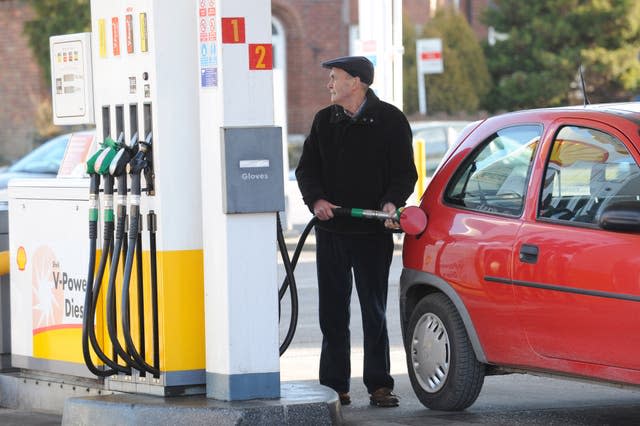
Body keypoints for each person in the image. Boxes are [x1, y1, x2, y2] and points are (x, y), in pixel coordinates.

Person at [295, 56, 417, 408]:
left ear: (357, 82)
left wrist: (393, 203)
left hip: (372, 233)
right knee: (332, 313)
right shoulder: (324, 121)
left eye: (335, 78)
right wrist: (316, 200)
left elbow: (403, 173)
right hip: (332, 230)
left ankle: (379, 385)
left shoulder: (391, 121)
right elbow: (307, 170)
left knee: (374, 312)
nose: (329, 84)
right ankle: (335, 386)